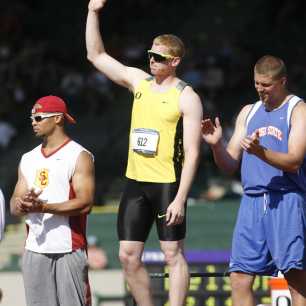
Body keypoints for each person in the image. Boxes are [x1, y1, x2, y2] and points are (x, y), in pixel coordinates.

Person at [86, 1, 203, 305]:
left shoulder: (186, 97)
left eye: (158, 57)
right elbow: (96, 55)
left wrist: (180, 198)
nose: (151, 60)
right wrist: (92, 12)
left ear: (174, 61)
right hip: (136, 181)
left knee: (171, 254)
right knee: (127, 255)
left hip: (167, 183)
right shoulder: (139, 81)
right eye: (149, 54)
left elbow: (192, 153)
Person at [202, 55, 306, 306]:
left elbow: (294, 161)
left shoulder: (298, 110)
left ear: (282, 81)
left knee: (295, 278)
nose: (261, 90)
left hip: (286, 199)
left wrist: (261, 152)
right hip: (251, 202)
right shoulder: (249, 112)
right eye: (257, 84)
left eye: (267, 85)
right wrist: (217, 146)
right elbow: (229, 165)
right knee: (239, 277)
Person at [10, 95, 95, 306]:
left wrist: (44, 207)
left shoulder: (79, 155)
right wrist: (21, 204)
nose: (33, 122)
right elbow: (14, 206)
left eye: (38, 117)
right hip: (34, 249)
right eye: (31, 117)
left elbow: (85, 203)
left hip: (68, 248)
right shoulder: (28, 158)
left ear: (57, 118)